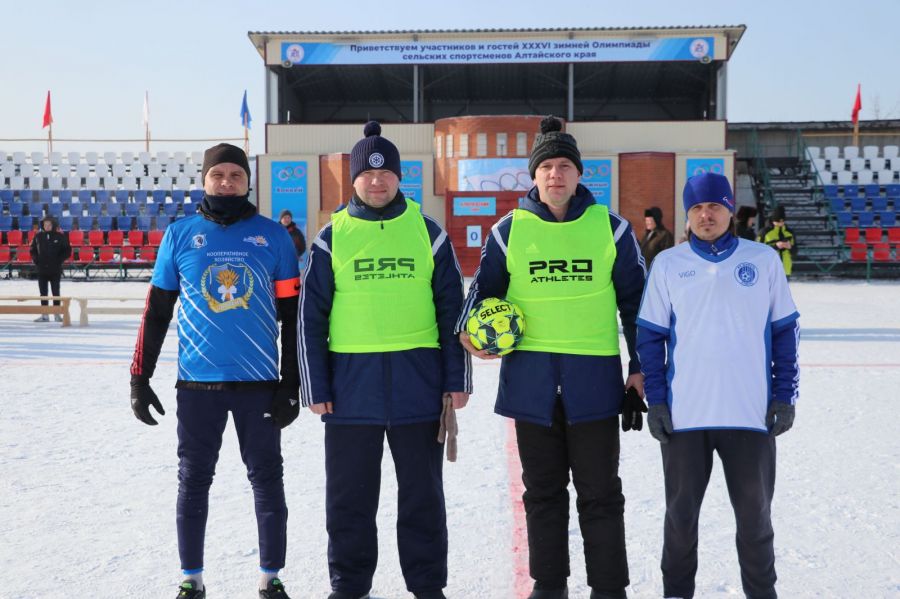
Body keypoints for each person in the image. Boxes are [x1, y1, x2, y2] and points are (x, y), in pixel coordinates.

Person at [458, 116, 646, 599]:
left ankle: (609, 587)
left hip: (595, 386)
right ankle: (549, 584)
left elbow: (638, 308)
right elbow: (480, 297)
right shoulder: (508, 231)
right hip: (531, 386)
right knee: (541, 494)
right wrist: (472, 335)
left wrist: (640, 369)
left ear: (580, 174)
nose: (556, 175)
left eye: (565, 166)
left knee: (601, 493)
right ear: (533, 175)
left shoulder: (612, 229)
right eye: (547, 167)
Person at [299, 121, 470, 599]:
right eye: (368, 174)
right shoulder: (332, 238)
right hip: (350, 393)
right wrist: (316, 387)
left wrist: (457, 380)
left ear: (399, 178)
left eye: (386, 173)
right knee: (350, 502)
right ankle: (349, 588)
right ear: (354, 179)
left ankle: (428, 587)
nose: (377, 182)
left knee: (423, 500)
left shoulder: (427, 233)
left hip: (420, 389)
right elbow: (309, 320)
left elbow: (451, 311)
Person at [129, 143, 301, 599]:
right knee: (193, 480)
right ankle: (192, 579)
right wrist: (139, 377)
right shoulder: (181, 234)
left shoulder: (274, 237)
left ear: (248, 182)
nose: (227, 183)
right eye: (218, 175)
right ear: (204, 180)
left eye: (236, 176)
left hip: (259, 385)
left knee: (267, 478)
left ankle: (271, 578)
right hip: (198, 384)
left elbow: (292, 315)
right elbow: (158, 310)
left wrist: (291, 383)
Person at [636, 172, 800, 599]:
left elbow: (785, 331)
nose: (705, 215)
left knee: (755, 520)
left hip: (749, 415)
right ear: (687, 215)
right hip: (685, 417)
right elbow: (649, 338)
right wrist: (656, 401)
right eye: (696, 208)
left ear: (729, 209)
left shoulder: (762, 260)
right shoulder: (668, 264)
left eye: (714, 206)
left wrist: (784, 394)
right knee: (680, 520)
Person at [29, 215, 71, 322]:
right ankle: (44, 315)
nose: (47, 226)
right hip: (42, 269)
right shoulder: (38, 236)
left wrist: (59, 260)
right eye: (45, 224)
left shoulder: (60, 236)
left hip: (55, 270)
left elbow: (67, 250)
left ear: (53, 225)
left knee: (56, 292)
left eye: (49, 224)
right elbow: (32, 250)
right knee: (43, 293)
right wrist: (36, 261)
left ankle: (57, 314)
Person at [758, 205, 796, 277]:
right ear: (773, 220)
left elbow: (795, 252)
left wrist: (790, 247)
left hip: (786, 271)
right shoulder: (764, 232)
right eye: (778, 222)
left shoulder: (790, 232)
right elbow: (757, 251)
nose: (780, 224)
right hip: (768, 271)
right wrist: (775, 246)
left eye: (782, 222)